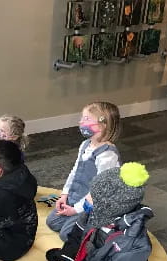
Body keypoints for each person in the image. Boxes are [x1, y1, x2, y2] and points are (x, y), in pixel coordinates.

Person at [32, 163, 152, 261]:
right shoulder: (95, 213)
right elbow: (75, 237)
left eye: (92, 198)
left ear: (110, 206)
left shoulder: (135, 244)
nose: (86, 200)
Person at [47, 102, 121, 241]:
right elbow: (75, 171)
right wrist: (65, 194)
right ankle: (79, 219)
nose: (81, 122)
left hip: (94, 203)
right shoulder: (85, 144)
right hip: (77, 196)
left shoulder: (107, 155)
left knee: (67, 235)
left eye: (87, 119)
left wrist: (76, 210)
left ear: (103, 124)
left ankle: (100, 226)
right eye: (82, 118)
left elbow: (100, 191)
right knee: (52, 222)